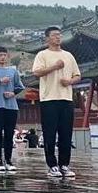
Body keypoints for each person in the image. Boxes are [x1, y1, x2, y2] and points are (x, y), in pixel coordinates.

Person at [32, 26, 81, 179]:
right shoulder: (42, 55)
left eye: (59, 35)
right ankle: (52, 165)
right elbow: (36, 72)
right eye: (54, 35)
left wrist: (70, 81)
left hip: (66, 99)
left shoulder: (68, 55)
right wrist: (54, 67)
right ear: (47, 38)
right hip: (49, 99)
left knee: (66, 133)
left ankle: (64, 164)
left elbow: (77, 75)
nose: (58, 37)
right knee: (50, 133)